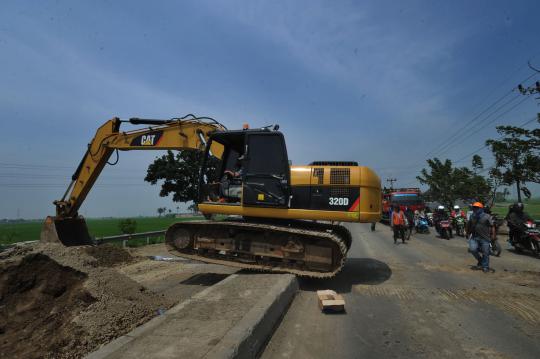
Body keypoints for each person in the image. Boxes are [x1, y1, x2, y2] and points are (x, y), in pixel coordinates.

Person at [466, 202, 496, 273]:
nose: (475, 209)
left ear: (481, 208)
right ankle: (480, 260)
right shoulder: (472, 216)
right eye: (474, 207)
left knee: (486, 252)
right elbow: (469, 225)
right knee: (472, 249)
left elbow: (492, 226)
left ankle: (485, 267)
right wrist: (467, 233)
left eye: (477, 208)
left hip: (485, 238)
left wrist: (493, 235)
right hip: (474, 237)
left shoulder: (487, 216)